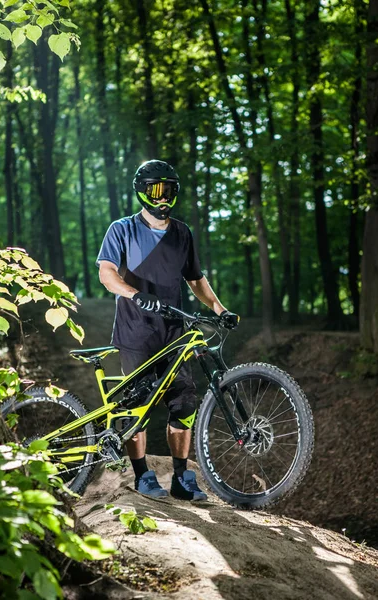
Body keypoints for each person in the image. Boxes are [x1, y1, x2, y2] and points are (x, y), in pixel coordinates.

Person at [97, 159, 239, 501]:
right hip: (135, 330)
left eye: (169, 190)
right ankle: (143, 475)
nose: (163, 198)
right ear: (142, 192)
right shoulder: (122, 229)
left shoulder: (182, 233)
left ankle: (181, 476)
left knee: (184, 403)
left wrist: (219, 309)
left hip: (174, 330)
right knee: (137, 406)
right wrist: (135, 294)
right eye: (156, 190)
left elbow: (196, 279)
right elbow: (106, 273)